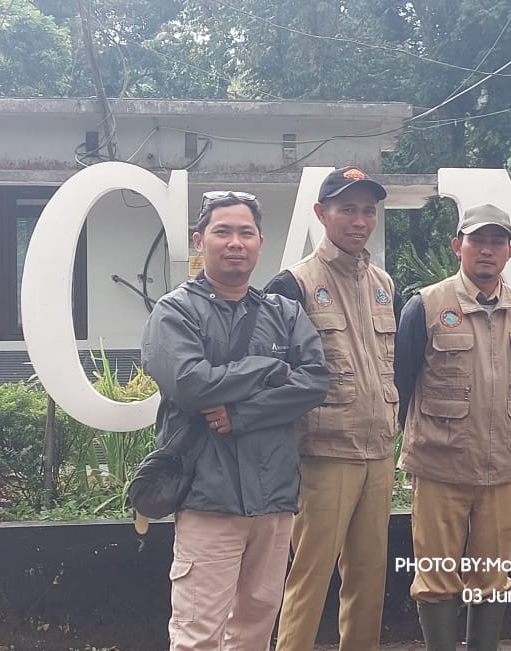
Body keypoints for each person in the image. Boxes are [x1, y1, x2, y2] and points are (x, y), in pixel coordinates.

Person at [141, 190, 329, 651]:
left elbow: (315, 382)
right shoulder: (175, 311)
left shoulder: (283, 313)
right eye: (222, 231)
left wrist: (241, 414)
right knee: (198, 631)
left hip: (274, 498)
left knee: (255, 626)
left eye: (245, 232)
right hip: (209, 496)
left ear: (260, 242)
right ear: (199, 240)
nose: (234, 242)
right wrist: (266, 369)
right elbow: (190, 384)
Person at [393, 204, 511, 651]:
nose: (487, 250)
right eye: (478, 240)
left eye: (497, 242)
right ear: (458, 246)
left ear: (510, 251)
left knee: (492, 578)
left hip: (500, 473)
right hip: (440, 469)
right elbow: (401, 384)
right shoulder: (426, 306)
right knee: (436, 577)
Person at [267, 167, 399, 651]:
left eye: (368, 210)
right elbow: (273, 377)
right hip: (322, 455)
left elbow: (392, 366)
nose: (359, 220)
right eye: (347, 209)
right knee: (309, 577)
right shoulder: (292, 284)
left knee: (369, 579)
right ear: (322, 214)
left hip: (378, 454)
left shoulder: (384, 284)